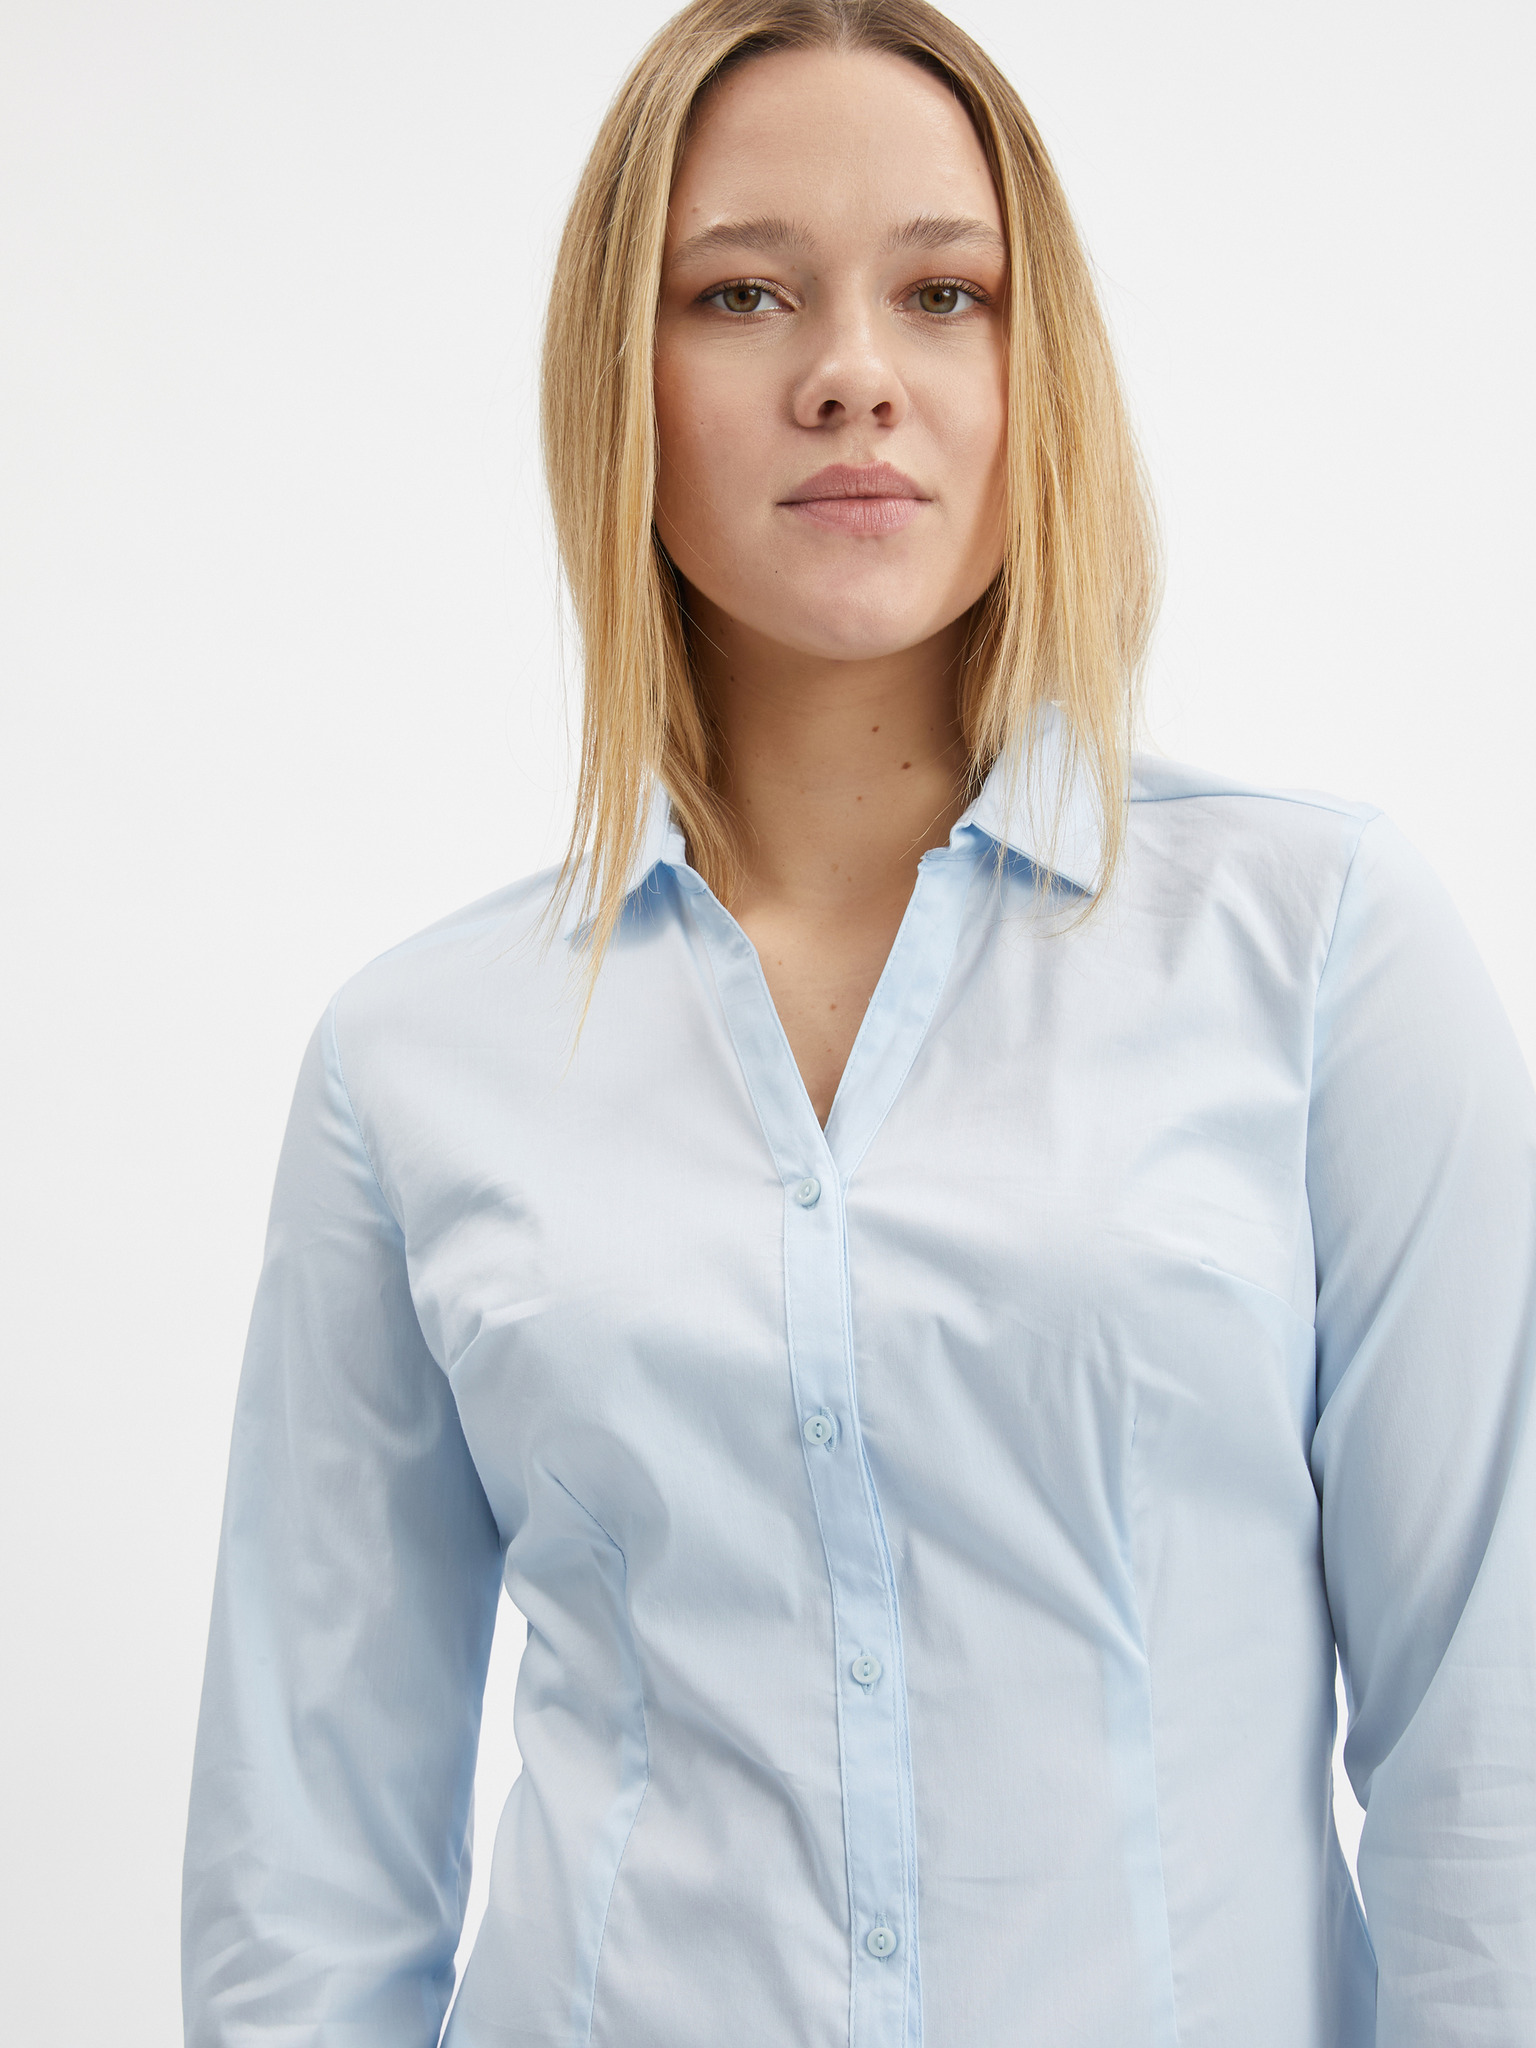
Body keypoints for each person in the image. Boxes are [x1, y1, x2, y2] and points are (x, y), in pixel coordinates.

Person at [180, 2, 1536, 2043]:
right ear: (620, 380)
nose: (851, 374)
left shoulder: (1322, 948)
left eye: (943, 292)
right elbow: (306, 1868)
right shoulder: (415, 1064)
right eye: (741, 293)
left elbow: (1491, 1746)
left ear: (1031, 366)